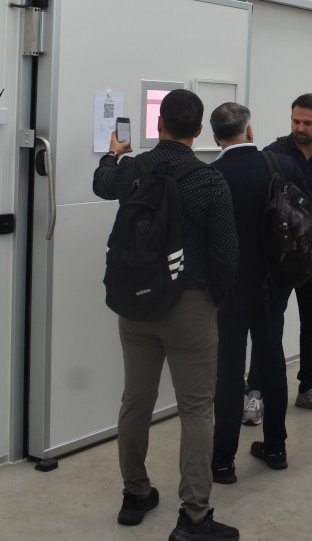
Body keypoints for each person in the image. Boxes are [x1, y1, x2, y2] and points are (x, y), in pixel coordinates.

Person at [93, 89, 240, 541]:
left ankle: (135, 494)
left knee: (135, 401)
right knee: (195, 409)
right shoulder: (210, 181)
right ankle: (194, 517)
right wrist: (214, 300)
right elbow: (226, 254)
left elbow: (102, 185)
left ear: (158, 124)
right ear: (198, 131)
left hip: (136, 304)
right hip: (189, 307)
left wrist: (113, 154)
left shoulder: (134, 169)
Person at [208, 103, 301, 484]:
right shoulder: (282, 166)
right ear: (249, 131)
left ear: (215, 137)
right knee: (272, 362)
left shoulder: (210, 177)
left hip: (229, 291)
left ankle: (222, 462)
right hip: (273, 286)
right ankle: (276, 448)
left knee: (229, 372)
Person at [246, 93, 312, 420]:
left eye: (307, 122)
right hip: (278, 258)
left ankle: (308, 387)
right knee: (268, 324)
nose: (300, 128)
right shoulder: (273, 153)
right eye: (295, 121)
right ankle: (255, 391)